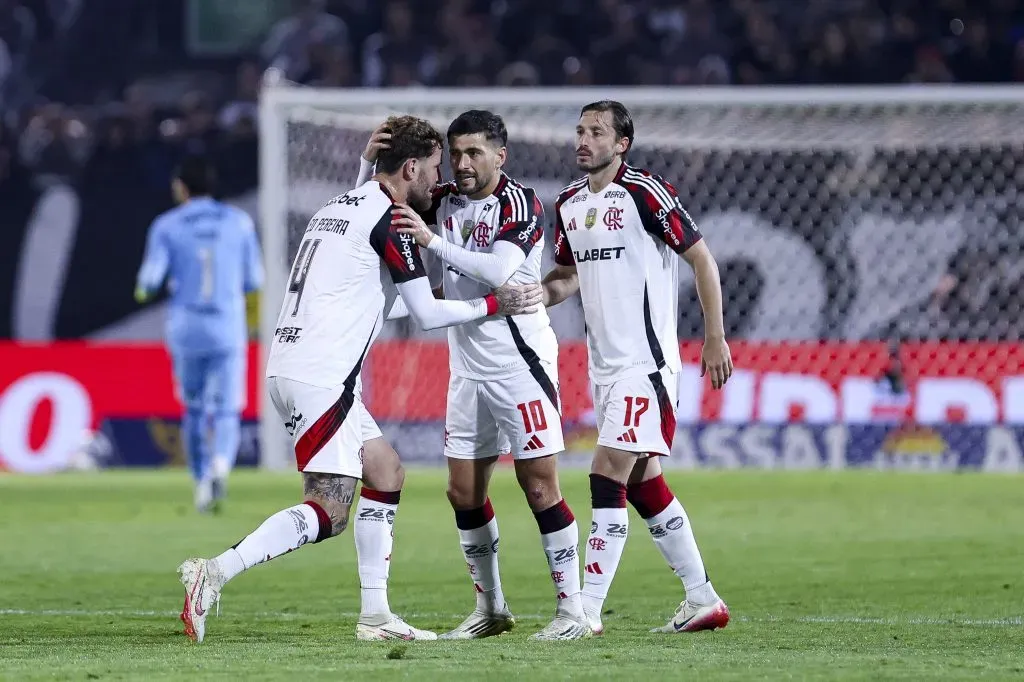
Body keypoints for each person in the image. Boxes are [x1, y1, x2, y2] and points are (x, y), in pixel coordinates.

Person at [176, 115, 541, 644]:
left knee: (386, 473)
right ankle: (214, 573)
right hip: (321, 375)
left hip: (299, 367)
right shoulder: (392, 222)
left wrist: (366, 165)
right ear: (410, 167)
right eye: (434, 168)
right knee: (329, 509)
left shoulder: (337, 205)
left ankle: (375, 616)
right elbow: (427, 315)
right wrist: (494, 302)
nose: (439, 180)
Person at [357, 111, 589, 640]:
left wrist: (433, 244)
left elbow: (501, 272)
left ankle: (572, 611)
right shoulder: (443, 199)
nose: (461, 164)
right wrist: (370, 162)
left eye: (473, 154)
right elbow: (385, 199)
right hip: (466, 368)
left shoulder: (520, 203)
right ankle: (492, 608)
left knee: (539, 488)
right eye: (455, 153)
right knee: (462, 492)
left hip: (520, 363)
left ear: (499, 156)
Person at [541, 100, 733, 635]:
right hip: (604, 368)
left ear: (621, 143)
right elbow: (565, 276)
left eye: (596, 132)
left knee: (606, 474)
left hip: (646, 365)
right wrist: (536, 293)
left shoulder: (645, 192)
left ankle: (586, 613)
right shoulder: (568, 205)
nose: (584, 139)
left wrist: (713, 338)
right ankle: (702, 598)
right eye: (579, 129)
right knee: (646, 482)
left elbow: (701, 257)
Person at [135, 154, 263, 513]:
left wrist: (144, 290)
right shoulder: (239, 223)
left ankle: (201, 481)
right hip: (227, 326)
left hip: (187, 329)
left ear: (181, 187)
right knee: (226, 410)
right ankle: (222, 465)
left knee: (193, 409)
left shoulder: (167, 225)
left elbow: (149, 280)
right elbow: (255, 279)